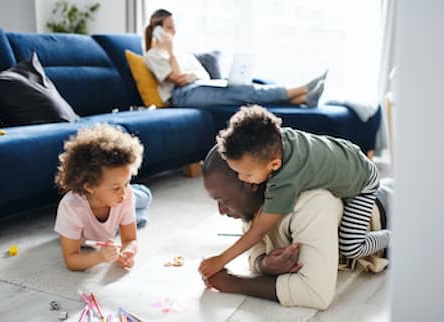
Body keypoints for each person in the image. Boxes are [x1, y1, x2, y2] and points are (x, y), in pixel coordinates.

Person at [199, 105, 391, 278]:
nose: (241, 179)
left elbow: (258, 230)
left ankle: (391, 237)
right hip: (349, 155)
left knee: (350, 245)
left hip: (364, 181)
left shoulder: (286, 180)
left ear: (274, 164)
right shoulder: (275, 139)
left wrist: (221, 260)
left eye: (247, 174)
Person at [200, 146, 390, 309]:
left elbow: (315, 293)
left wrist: (233, 283)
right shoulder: (253, 205)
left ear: (250, 181)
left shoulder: (312, 202)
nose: (221, 211)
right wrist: (263, 264)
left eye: (223, 201)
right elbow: (254, 247)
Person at [143, 9, 326, 108]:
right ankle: (303, 89)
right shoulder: (153, 55)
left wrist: (191, 75)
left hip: (200, 86)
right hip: (182, 96)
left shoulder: (182, 52)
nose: (174, 32)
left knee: (244, 90)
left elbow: (201, 75)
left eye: (174, 27)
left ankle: (304, 99)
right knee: (244, 92)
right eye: (169, 28)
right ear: (157, 29)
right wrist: (171, 52)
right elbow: (178, 79)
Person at [54, 124, 145, 271]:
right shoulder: (71, 207)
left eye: (127, 183)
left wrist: (128, 251)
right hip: (95, 231)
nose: (124, 193)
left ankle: (141, 193)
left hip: (117, 213)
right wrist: (99, 257)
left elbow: (130, 240)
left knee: (141, 198)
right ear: (89, 186)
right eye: (116, 188)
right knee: (139, 210)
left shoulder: (126, 195)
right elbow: (71, 260)